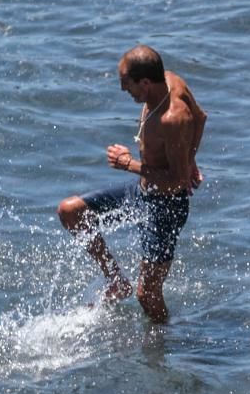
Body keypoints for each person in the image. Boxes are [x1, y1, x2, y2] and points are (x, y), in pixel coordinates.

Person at [58, 45, 206, 322]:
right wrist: (189, 160)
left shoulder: (172, 118)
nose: (123, 90)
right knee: (70, 211)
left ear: (146, 82)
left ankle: (162, 344)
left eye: (127, 85)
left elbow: (176, 182)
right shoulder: (171, 79)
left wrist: (130, 164)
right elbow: (202, 117)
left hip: (165, 207)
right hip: (141, 192)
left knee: (147, 294)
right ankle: (115, 280)